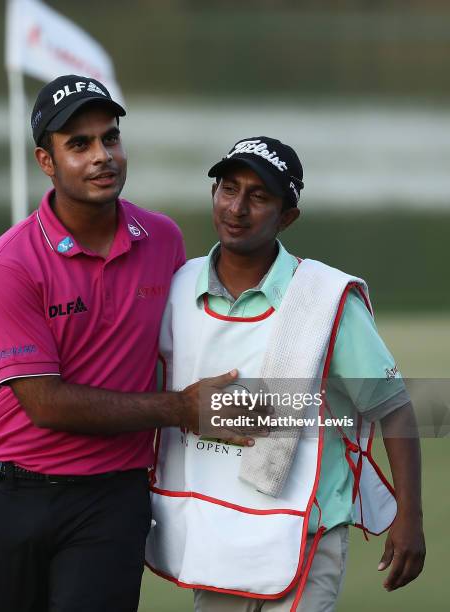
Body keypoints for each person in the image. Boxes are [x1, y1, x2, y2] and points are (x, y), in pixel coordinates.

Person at [0, 75, 253, 612]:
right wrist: (184, 409)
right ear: (45, 162)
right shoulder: (8, 262)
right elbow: (43, 402)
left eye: (110, 138)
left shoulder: (163, 239)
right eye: (79, 144)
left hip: (111, 496)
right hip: (13, 497)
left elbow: (181, 346)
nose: (103, 156)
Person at [145, 137, 426, 611]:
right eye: (228, 189)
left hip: (307, 530)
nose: (237, 207)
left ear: (287, 215)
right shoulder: (175, 288)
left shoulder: (324, 298)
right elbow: (133, 394)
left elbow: (393, 409)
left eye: (259, 197)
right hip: (214, 527)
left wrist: (409, 517)